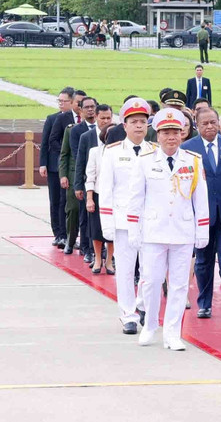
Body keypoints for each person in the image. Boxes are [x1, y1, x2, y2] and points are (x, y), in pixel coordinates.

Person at [127, 108, 209, 351]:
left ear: (182, 134)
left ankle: (173, 332)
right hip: (153, 231)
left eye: (175, 132)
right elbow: (135, 198)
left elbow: (200, 198)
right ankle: (151, 325)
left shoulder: (193, 161)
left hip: (182, 231)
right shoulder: (145, 161)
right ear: (158, 135)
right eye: (166, 132)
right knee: (151, 281)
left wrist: (201, 229)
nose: (171, 137)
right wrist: (134, 229)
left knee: (180, 285)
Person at [100, 98, 157, 335]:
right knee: (124, 270)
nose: (139, 126)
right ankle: (128, 315)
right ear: (124, 125)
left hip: (149, 222)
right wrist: (107, 225)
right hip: (123, 222)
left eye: (143, 122)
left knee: (150, 270)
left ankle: (142, 306)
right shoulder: (112, 152)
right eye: (134, 122)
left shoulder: (154, 151)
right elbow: (106, 190)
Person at [182, 107, 221, 320]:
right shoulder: (188, 148)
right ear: (197, 126)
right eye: (204, 123)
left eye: (213, 122)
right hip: (202, 215)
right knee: (203, 261)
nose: (209, 127)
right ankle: (204, 303)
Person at [40, 88, 81, 249]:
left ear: (72, 102)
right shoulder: (53, 118)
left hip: (73, 168)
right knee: (55, 200)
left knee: (68, 201)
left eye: (64, 101)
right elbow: (46, 142)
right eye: (59, 101)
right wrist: (43, 163)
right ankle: (58, 233)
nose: (61, 104)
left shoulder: (80, 119)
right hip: (55, 165)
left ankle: (68, 234)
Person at [59, 96, 97, 257]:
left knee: (94, 214)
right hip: (79, 175)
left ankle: (92, 246)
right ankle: (71, 239)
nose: (90, 109)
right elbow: (72, 154)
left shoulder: (103, 129)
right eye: (86, 107)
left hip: (98, 176)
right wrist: (64, 175)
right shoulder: (74, 130)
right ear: (80, 110)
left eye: (92, 107)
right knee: (75, 210)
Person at [81, 104, 115, 274]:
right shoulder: (95, 151)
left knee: (113, 231)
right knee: (96, 230)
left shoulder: (120, 153)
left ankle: (109, 261)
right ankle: (97, 259)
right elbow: (90, 176)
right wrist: (89, 198)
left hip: (116, 198)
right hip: (97, 195)